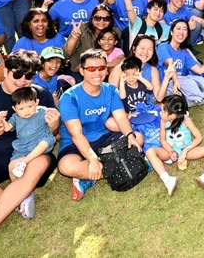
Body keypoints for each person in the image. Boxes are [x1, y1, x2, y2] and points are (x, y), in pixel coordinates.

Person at [56, 49, 143, 201]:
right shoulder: (69, 97)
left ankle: (92, 175)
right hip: (75, 143)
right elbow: (76, 134)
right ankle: (128, 164)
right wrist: (92, 158)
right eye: (91, 69)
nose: (97, 72)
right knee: (66, 167)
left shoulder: (110, 90)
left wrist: (130, 135)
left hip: (104, 137)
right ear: (82, 71)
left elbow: (121, 116)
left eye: (101, 68)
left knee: (138, 138)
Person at [144, 94, 204, 195]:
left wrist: (185, 150)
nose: (160, 113)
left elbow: (199, 137)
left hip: (186, 150)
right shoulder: (163, 121)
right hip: (169, 151)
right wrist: (170, 151)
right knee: (150, 152)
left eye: (162, 111)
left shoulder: (186, 120)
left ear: (173, 115)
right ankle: (168, 180)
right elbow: (163, 139)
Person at [157, 20, 204, 106]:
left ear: (187, 34)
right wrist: (176, 81)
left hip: (182, 84)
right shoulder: (163, 47)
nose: (181, 32)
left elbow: (199, 70)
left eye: (185, 29)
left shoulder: (184, 52)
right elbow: (170, 65)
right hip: (165, 85)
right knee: (182, 82)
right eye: (178, 29)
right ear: (171, 32)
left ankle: (185, 101)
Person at [3, 86, 56, 179]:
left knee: (45, 141)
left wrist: (54, 115)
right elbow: (7, 128)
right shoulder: (15, 117)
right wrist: (2, 120)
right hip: (24, 145)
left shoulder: (43, 111)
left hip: (40, 141)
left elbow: (55, 116)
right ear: (14, 109)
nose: (26, 110)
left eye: (30, 106)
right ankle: (19, 189)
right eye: (21, 108)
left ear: (37, 102)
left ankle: (24, 162)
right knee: (11, 166)